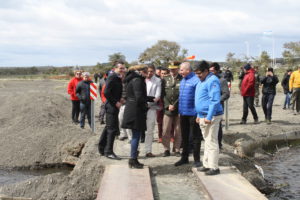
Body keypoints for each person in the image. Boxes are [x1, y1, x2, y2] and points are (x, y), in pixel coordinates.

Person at [194, 61, 223, 176]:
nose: (198, 75)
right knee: (206, 141)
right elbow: (201, 99)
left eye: (199, 73)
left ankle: (214, 167)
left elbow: (215, 100)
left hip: (212, 116)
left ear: (206, 71)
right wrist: (198, 115)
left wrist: (209, 116)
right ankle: (206, 164)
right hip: (202, 115)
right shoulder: (201, 81)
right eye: (196, 73)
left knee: (211, 141)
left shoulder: (212, 80)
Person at [175, 62, 202, 167]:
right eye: (180, 70)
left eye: (182, 70)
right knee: (184, 137)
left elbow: (198, 98)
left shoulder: (196, 81)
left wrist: (198, 113)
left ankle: (196, 160)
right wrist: (179, 111)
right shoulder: (182, 81)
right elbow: (181, 98)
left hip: (193, 113)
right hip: (183, 113)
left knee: (195, 137)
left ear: (188, 70)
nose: (180, 72)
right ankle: (184, 158)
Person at [122, 65, 149, 168]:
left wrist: (149, 98)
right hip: (135, 111)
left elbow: (136, 95)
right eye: (145, 71)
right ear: (139, 71)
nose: (147, 73)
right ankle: (133, 159)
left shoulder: (133, 79)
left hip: (132, 109)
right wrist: (145, 106)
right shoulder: (137, 80)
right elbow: (138, 97)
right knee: (136, 136)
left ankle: (133, 159)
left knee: (135, 136)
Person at [98, 62, 126, 160]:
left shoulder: (117, 77)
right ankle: (108, 152)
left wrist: (120, 99)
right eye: (120, 68)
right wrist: (115, 102)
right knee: (112, 129)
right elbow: (106, 92)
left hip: (113, 105)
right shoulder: (112, 77)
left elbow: (114, 91)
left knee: (108, 127)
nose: (122, 70)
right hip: (111, 106)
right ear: (115, 68)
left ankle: (101, 148)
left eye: (123, 68)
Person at [161, 62, 182, 157]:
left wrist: (175, 105)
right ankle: (166, 149)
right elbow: (162, 94)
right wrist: (168, 105)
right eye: (170, 69)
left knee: (178, 130)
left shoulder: (182, 79)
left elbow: (183, 94)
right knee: (166, 130)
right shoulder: (165, 79)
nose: (172, 71)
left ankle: (177, 149)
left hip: (179, 109)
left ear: (177, 69)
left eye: (174, 69)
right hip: (167, 109)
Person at [209, 63, 230, 149]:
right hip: (207, 107)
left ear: (217, 71)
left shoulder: (222, 81)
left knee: (217, 125)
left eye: (212, 71)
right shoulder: (206, 80)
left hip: (217, 107)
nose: (210, 72)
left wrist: (217, 101)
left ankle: (219, 144)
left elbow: (226, 94)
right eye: (209, 71)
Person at [144, 64, 161, 157]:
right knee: (137, 130)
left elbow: (157, 96)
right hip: (139, 108)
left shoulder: (157, 81)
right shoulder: (140, 79)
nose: (149, 73)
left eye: (151, 71)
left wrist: (149, 103)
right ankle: (136, 150)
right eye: (148, 71)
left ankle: (148, 150)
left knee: (150, 130)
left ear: (154, 71)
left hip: (151, 108)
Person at [118, 67, 132, 142]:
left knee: (127, 120)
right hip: (119, 103)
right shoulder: (117, 80)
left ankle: (130, 137)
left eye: (124, 73)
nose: (122, 74)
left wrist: (125, 98)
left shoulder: (129, 81)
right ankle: (123, 134)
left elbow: (131, 92)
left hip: (127, 103)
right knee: (120, 119)